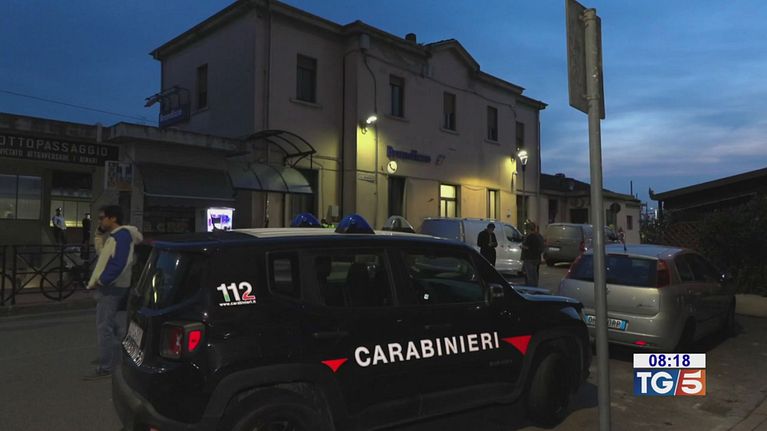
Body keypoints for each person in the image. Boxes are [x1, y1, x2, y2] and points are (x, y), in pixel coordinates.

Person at [83, 205, 143, 380]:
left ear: (113, 218)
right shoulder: (116, 236)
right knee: (117, 326)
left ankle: (106, 367)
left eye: (102, 218)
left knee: (104, 326)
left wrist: (102, 280)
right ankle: (125, 360)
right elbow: (103, 254)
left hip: (112, 286)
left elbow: (119, 264)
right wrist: (98, 234)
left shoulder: (122, 236)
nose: (100, 221)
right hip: (115, 286)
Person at [521, 221, 545, 286]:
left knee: (530, 275)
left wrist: (522, 246)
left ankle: (531, 287)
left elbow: (526, 247)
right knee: (534, 274)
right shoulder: (538, 237)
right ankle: (535, 286)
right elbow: (541, 247)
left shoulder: (529, 237)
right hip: (536, 258)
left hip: (529, 258)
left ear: (529, 229)